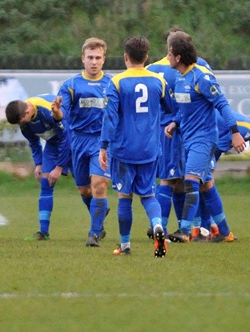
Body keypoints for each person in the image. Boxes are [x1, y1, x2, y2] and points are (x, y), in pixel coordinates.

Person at [164, 31, 246, 243]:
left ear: (178, 57)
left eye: (169, 53)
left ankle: (184, 231)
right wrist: (175, 122)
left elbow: (223, 105)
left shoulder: (201, 77)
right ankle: (226, 233)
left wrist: (235, 132)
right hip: (188, 139)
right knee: (206, 186)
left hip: (204, 139)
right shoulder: (179, 77)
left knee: (190, 181)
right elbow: (184, 108)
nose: (167, 57)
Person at [98, 36, 169, 258]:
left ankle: (125, 245)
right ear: (146, 57)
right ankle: (157, 224)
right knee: (148, 195)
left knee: (125, 196)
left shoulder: (117, 82)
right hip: (149, 149)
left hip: (124, 150)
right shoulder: (158, 81)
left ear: (126, 57)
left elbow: (110, 118)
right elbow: (170, 108)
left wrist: (103, 146)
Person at [145, 27, 213, 237]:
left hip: (165, 129)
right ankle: (198, 227)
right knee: (194, 180)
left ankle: (165, 227)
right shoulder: (200, 66)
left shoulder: (151, 68)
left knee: (172, 179)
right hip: (186, 128)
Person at [190, 110, 250, 241]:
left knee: (202, 185)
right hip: (198, 135)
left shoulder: (247, 125)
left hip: (197, 134)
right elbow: (215, 148)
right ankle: (218, 231)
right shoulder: (245, 132)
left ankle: (206, 230)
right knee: (205, 185)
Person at [55, 37, 112, 247]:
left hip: (102, 142)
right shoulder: (71, 85)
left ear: (104, 59)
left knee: (99, 185)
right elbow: (62, 113)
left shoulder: (112, 84)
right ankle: (99, 216)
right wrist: (56, 112)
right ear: (83, 59)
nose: (94, 62)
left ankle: (94, 234)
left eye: (98, 58)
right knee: (85, 191)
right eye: (90, 57)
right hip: (78, 141)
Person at [5, 94, 71, 241]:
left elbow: (66, 136)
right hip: (53, 144)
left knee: (84, 188)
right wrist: (39, 164)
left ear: (27, 112)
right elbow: (34, 142)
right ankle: (43, 232)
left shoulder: (46, 110)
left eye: (21, 121)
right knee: (46, 183)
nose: (21, 125)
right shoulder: (24, 120)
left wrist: (59, 167)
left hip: (72, 140)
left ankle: (97, 222)